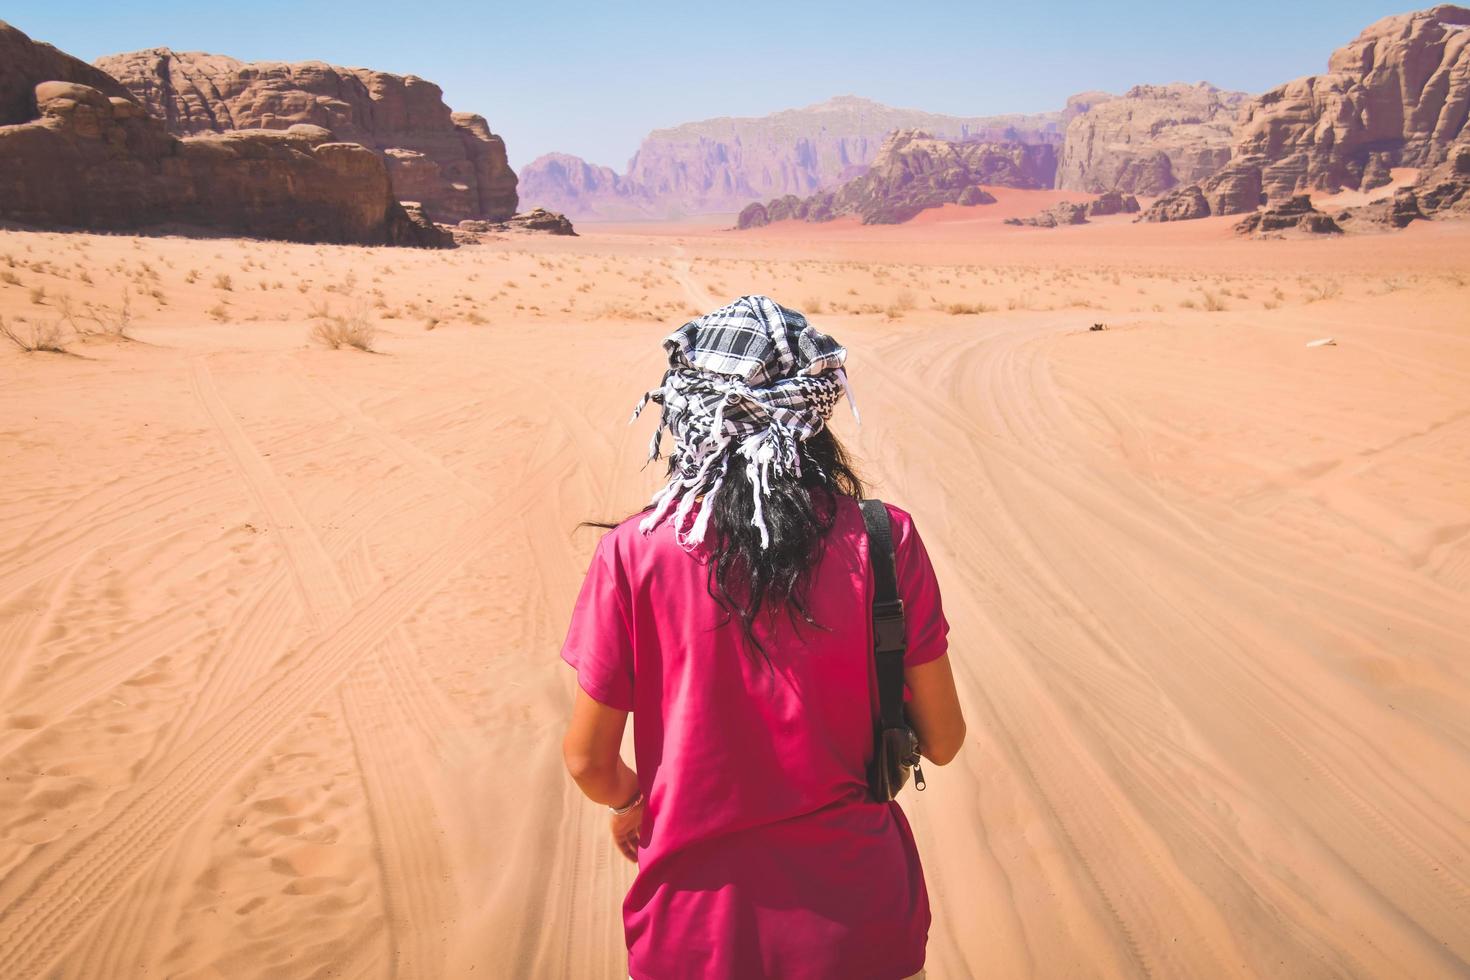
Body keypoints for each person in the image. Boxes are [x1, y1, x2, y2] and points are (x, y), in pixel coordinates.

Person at [559, 294, 967, 979]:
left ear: (687, 409)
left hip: (694, 936)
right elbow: (946, 740)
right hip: (863, 928)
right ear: (815, 414)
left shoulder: (635, 552)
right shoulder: (882, 538)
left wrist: (633, 803)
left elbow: (587, 762)